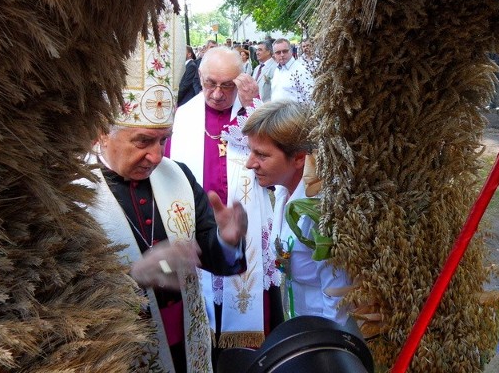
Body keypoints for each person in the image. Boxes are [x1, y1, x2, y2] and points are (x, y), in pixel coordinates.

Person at [85, 40, 248, 373]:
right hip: (118, 353)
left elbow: (211, 253)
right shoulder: (74, 194)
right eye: (143, 141)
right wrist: (135, 276)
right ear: (102, 133)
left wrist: (226, 241)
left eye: (163, 139)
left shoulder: (178, 176)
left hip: (187, 347)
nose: (158, 156)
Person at [167, 46, 283, 354]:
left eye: (227, 85)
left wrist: (256, 108)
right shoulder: (181, 119)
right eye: (210, 83)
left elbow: (277, 164)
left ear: (241, 81)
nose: (217, 94)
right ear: (200, 77)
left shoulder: (253, 113)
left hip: (245, 236)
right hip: (200, 232)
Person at [243, 100, 351, 324]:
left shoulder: (319, 213)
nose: (249, 163)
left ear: (299, 158)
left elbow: (338, 298)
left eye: (261, 155)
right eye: (250, 151)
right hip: (301, 323)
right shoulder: (283, 191)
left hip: (323, 334)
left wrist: (325, 347)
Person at [270, 38, 314, 104]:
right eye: (278, 52)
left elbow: (311, 98)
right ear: (274, 55)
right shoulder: (277, 70)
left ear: (291, 51)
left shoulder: (301, 70)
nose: (282, 55)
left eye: (285, 51)